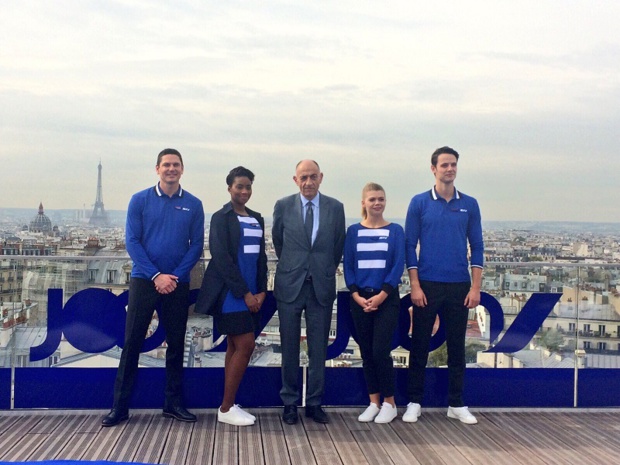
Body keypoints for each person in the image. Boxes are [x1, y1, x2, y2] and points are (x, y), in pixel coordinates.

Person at [102, 148, 205, 427]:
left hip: (176, 283)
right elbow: (132, 242)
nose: (171, 169)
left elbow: (196, 245)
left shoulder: (194, 204)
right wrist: (157, 275)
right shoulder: (140, 200)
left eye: (176, 165)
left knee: (176, 346)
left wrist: (173, 276)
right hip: (145, 281)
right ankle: (120, 407)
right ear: (157, 169)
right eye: (166, 165)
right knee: (132, 343)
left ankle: (172, 404)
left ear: (182, 169)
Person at [404, 146, 483, 425]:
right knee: (420, 345)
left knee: (457, 347)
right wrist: (415, 285)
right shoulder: (419, 203)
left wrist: (476, 288)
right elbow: (409, 246)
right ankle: (414, 401)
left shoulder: (469, 204)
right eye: (444, 165)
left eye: (453, 165)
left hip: (459, 285)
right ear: (433, 169)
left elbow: (478, 246)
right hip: (427, 284)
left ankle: (456, 403)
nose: (449, 169)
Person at [272, 159, 345, 424]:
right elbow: (279, 244)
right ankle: (289, 403)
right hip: (290, 285)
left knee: (318, 349)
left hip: (321, 286)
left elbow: (338, 246)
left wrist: (320, 269)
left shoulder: (335, 208)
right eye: (303, 177)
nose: (308, 182)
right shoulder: (282, 206)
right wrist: (296, 267)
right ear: (295, 180)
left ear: (321, 177)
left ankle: (314, 402)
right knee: (289, 347)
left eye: (313, 177)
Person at [195, 166, 267, 427]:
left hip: (250, 292)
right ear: (229, 188)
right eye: (239, 186)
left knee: (235, 346)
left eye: (248, 186)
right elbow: (222, 259)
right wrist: (246, 293)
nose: (244, 191)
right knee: (246, 345)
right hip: (231, 293)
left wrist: (261, 290)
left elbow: (260, 258)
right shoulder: (221, 217)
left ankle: (229, 404)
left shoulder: (257, 218)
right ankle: (226, 407)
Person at [343, 183, 405, 424]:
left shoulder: (395, 231)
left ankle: (389, 402)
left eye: (380, 199)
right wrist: (356, 294)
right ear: (363, 203)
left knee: (381, 350)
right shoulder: (353, 231)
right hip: (359, 299)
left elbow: (397, 265)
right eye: (372, 199)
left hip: (386, 300)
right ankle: (373, 401)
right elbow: (348, 265)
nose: (377, 203)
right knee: (367, 352)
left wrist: (382, 296)